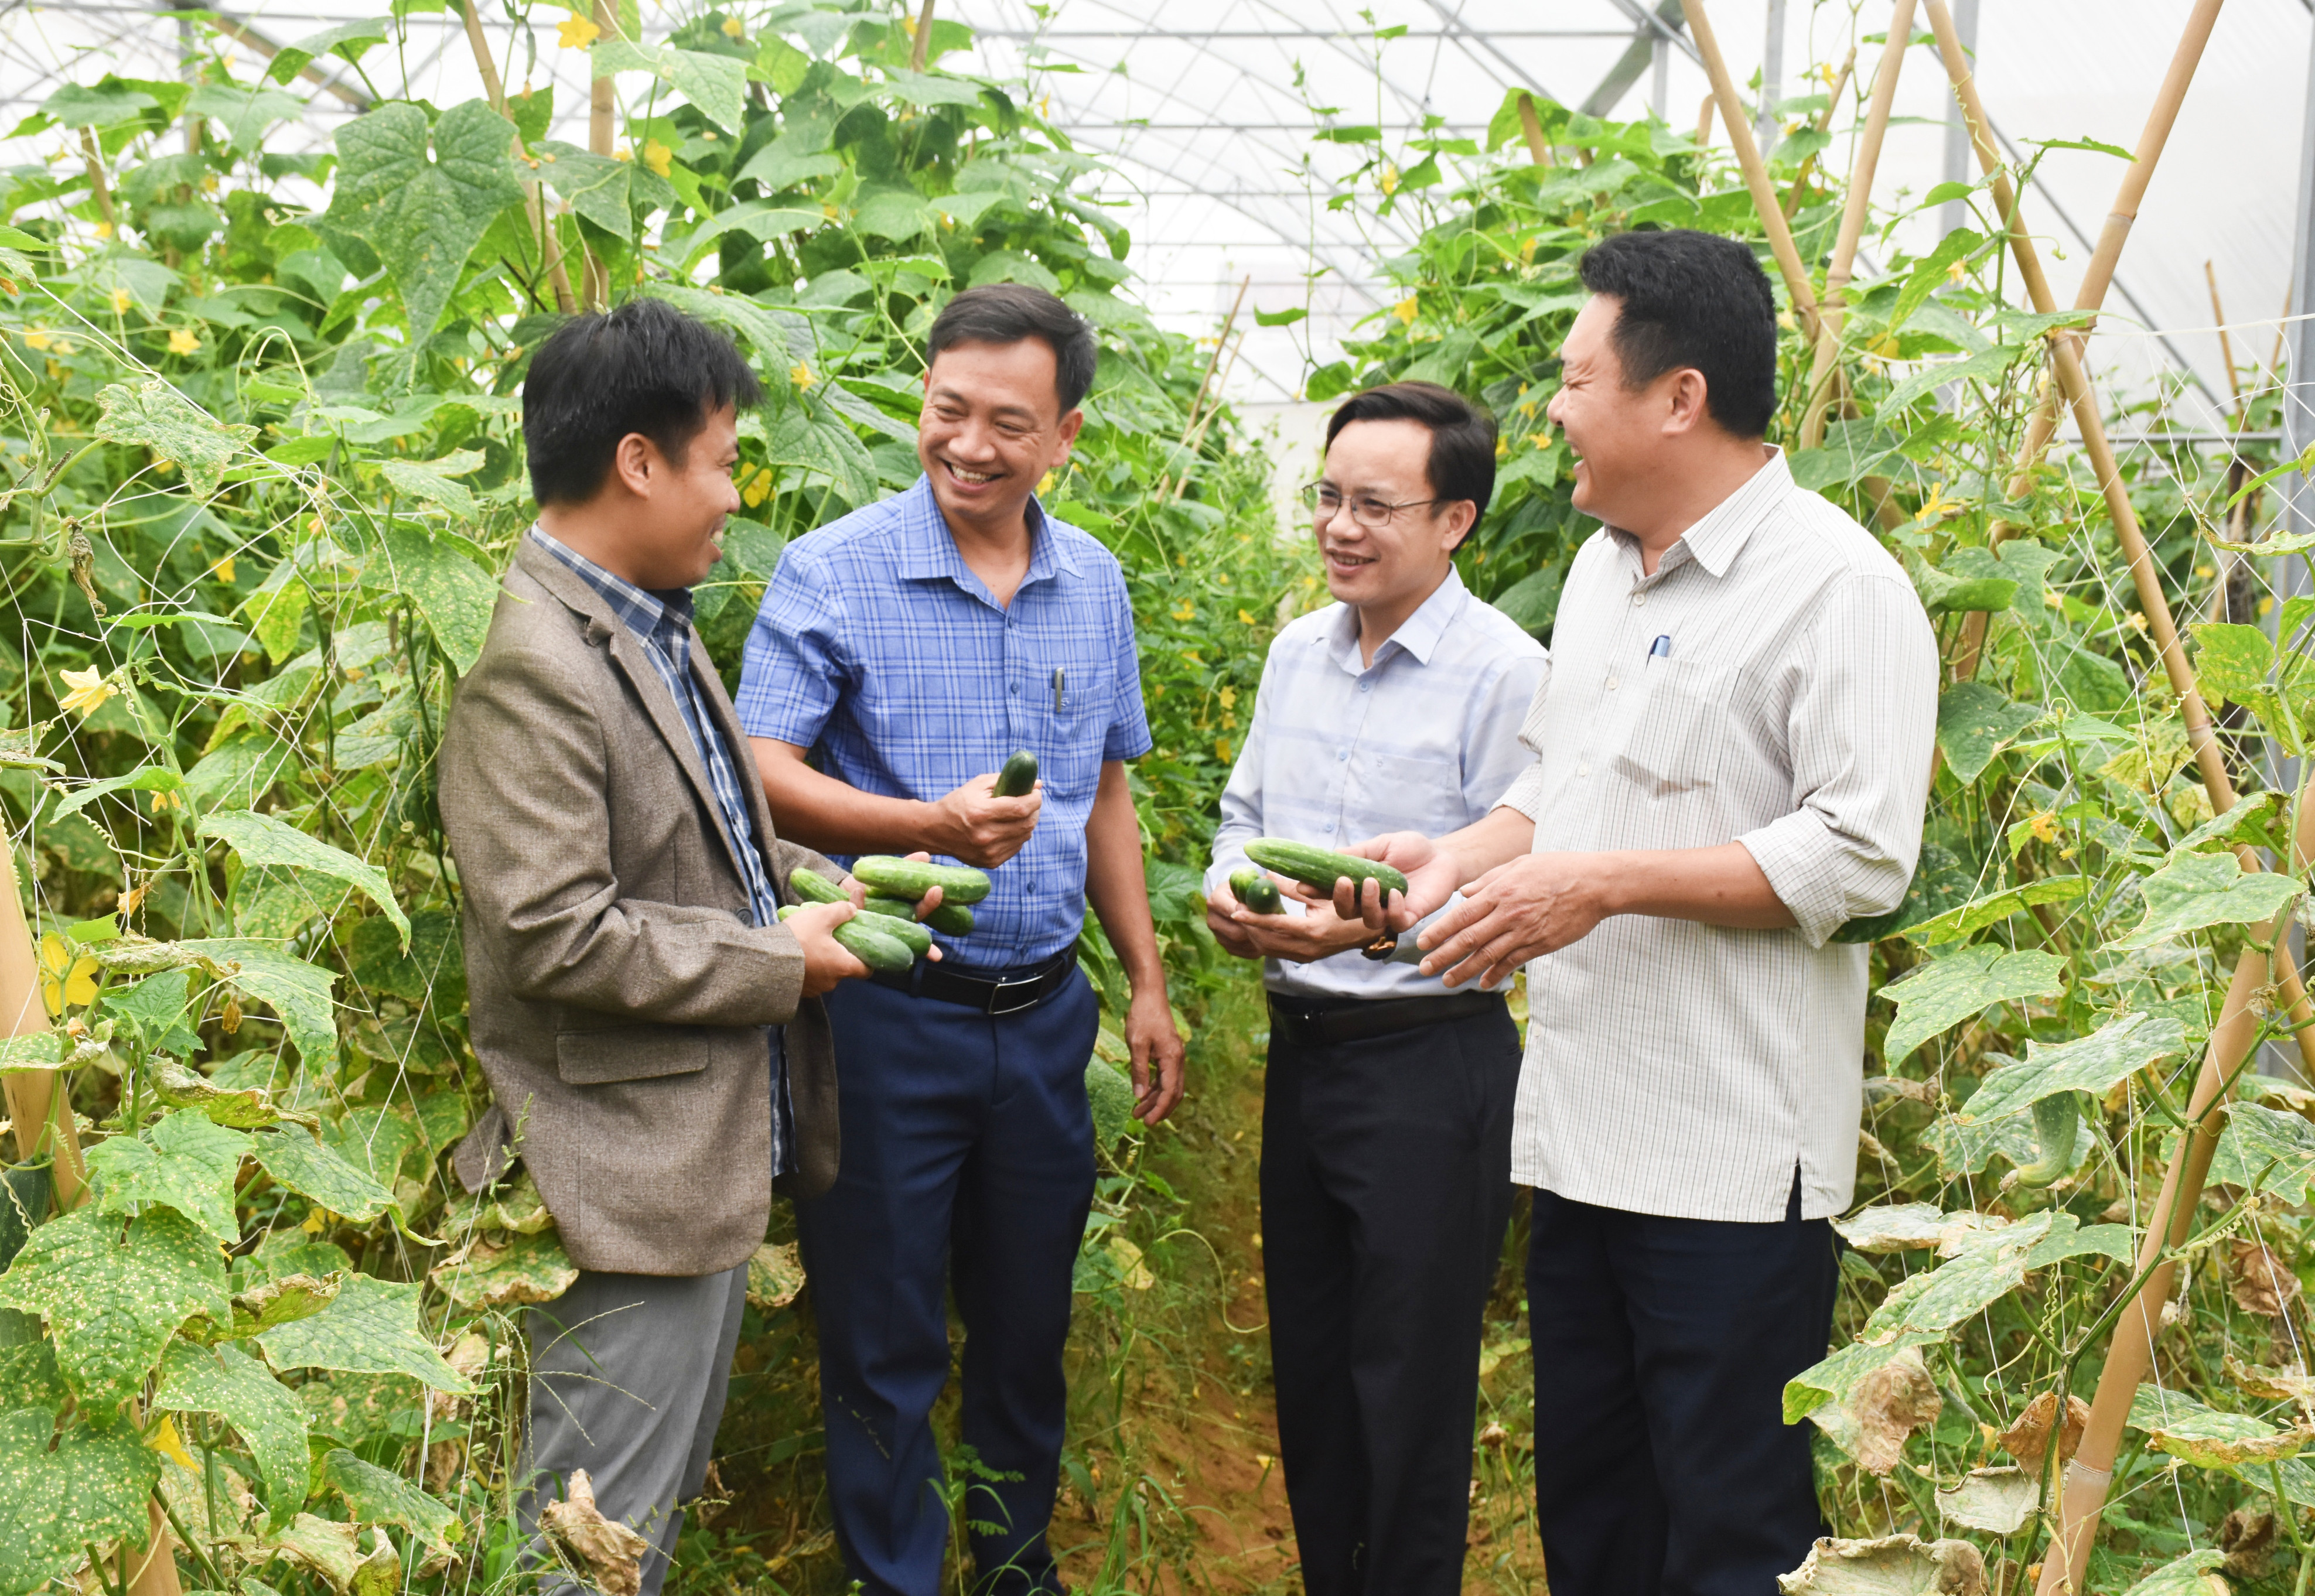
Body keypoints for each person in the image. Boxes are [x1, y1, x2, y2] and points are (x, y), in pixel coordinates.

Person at [1331, 230, 1935, 1595]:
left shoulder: (1837, 589)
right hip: (1585, 1137)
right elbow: (1561, 789)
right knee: (1594, 1515)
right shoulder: (1610, 568)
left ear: (1679, 396)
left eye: (1574, 376)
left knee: (1727, 1527)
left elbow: (1857, 855)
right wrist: (1448, 863)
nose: (1551, 407)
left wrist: (1598, 885)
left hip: (1728, 1165)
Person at [439, 298, 933, 1595]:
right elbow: (552, 930)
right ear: (638, 462)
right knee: (585, 1544)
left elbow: (712, 845)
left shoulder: (648, 623)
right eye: (720, 459)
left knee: (629, 1535)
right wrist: (786, 959)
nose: (732, 493)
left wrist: (843, 883)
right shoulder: (535, 663)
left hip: (689, 1170)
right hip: (623, 1186)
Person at [737, 282, 1186, 1596]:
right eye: (947, 411)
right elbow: (762, 766)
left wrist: (1144, 980)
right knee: (880, 1335)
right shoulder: (837, 569)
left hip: (1045, 1019)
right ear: (920, 403)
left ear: (1066, 436)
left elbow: (1107, 784)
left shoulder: (1090, 579)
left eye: (1008, 421)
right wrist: (919, 825)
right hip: (885, 1011)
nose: (970, 445)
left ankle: (1016, 1567)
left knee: (1026, 1325)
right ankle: (897, 1576)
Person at [1201, 381, 1545, 1594]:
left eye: (1374, 505)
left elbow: (1521, 876)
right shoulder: (1299, 650)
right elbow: (1245, 821)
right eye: (1329, 498)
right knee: (1310, 1362)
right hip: (1305, 1055)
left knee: (1406, 1377)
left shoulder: (1505, 672)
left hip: (1428, 1066)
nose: (1341, 527)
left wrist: (1388, 933)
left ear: (1453, 521)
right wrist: (1234, 896)